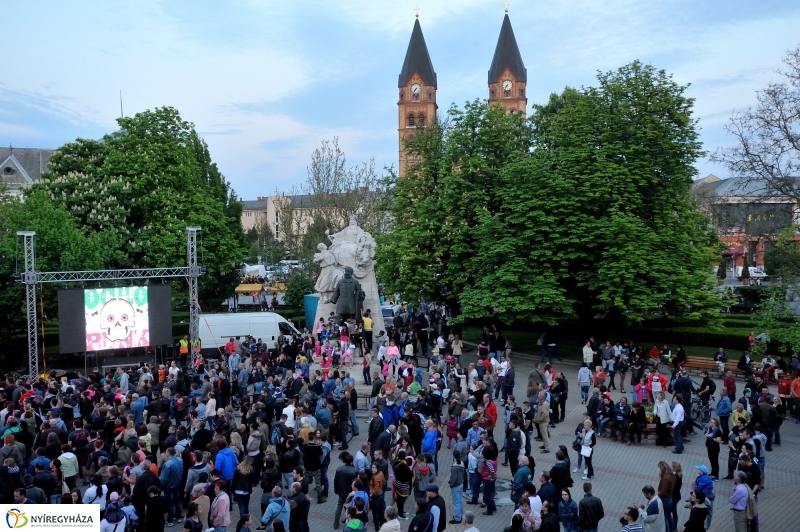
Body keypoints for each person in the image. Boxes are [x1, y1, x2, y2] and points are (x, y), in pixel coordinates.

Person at [448, 451, 466, 524]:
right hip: (460, 484)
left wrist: (451, 484)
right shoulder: (462, 463)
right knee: (460, 501)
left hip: (455, 486)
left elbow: (453, 478)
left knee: (456, 503)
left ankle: (457, 518)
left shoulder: (454, 468)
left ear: (454, 456)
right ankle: (461, 515)